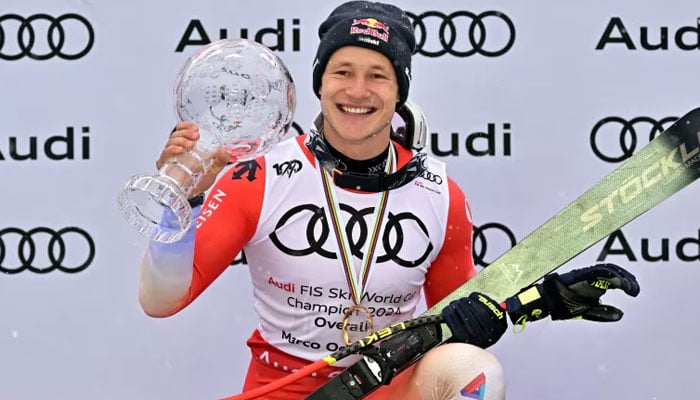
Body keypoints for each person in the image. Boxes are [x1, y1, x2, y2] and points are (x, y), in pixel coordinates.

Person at [137, 1, 640, 399]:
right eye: (342, 71)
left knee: (475, 371)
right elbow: (160, 301)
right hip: (284, 387)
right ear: (319, 84)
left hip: (390, 381)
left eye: (378, 75)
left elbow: (461, 313)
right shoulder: (259, 177)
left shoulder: (438, 193)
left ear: (399, 90)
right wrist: (183, 202)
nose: (358, 91)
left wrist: (542, 298)